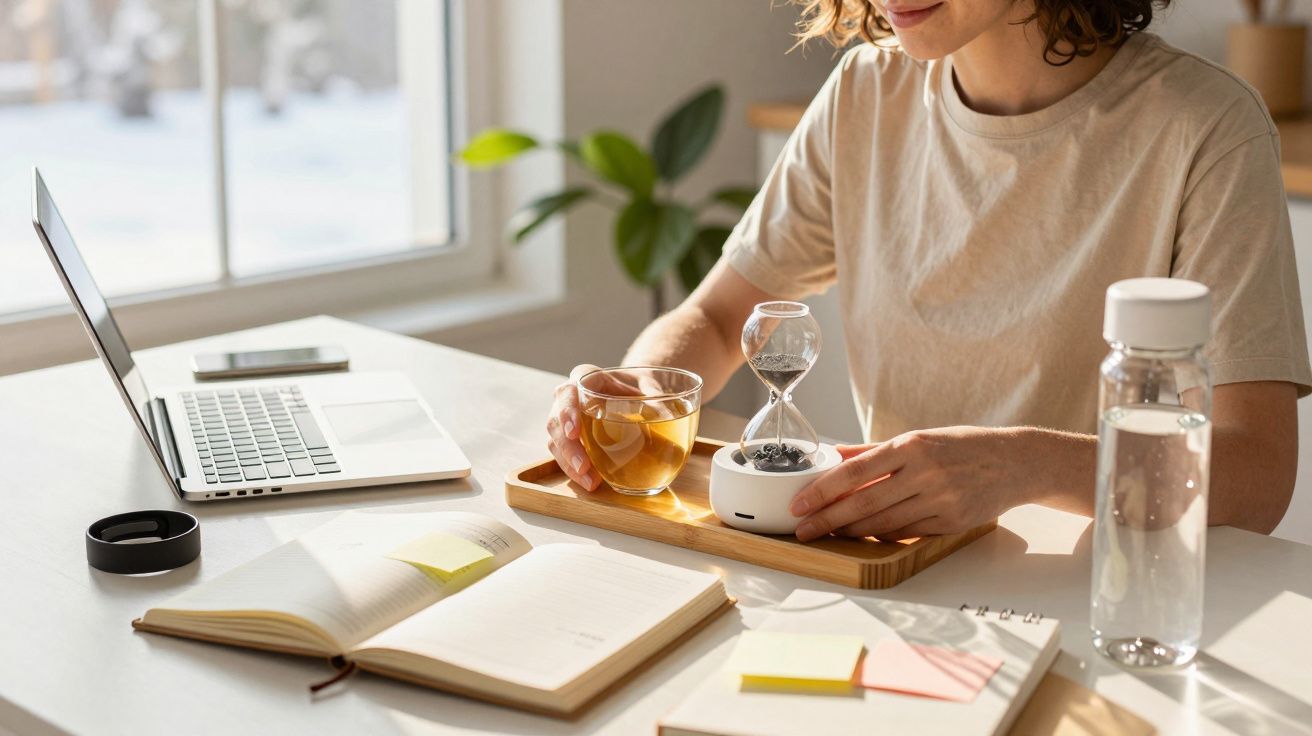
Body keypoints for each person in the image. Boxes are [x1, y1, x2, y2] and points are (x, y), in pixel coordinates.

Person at [546, 0, 1312, 539]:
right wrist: (642, 391)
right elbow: (717, 320)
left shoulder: (1206, 127)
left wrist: (1028, 466)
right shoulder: (865, 91)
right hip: (895, 577)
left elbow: (1256, 471)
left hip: (1094, 594)